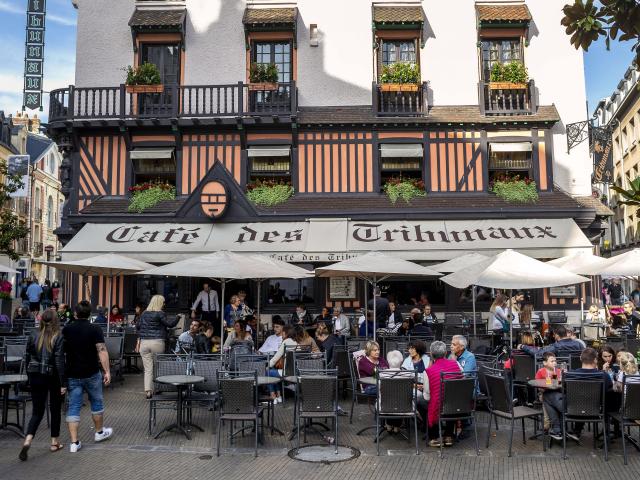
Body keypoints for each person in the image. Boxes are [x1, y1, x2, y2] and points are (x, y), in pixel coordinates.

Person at [63, 301, 113, 452]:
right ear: (89, 314)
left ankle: (74, 442)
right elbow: (102, 351)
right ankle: (99, 432)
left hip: (72, 373)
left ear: (75, 313)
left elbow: (62, 352)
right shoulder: (95, 328)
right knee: (96, 402)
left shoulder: (67, 329)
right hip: (91, 372)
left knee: (74, 406)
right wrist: (107, 371)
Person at [18, 309, 66, 461]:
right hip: (52, 376)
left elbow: (26, 356)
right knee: (55, 408)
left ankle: (28, 440)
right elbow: (59, 361)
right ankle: (54, 442)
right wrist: (63, 382)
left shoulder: (33, 334)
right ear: (55, 320)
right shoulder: (58, 336)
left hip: (35, 374)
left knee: (37, 412)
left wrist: (28, 374)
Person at [136, 295, 179, 399]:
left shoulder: (144, 313)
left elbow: (138, 326)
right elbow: (170, 324)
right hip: (157, 342)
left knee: (148, 369)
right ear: (160, 303)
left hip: (144, 343)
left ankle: (148, 391)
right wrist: (178, 317)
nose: (164, 304)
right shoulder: (160, 313)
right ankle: (157, 388)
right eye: (163, 302)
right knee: (156, 367)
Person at [424, 341, 463, 447]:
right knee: (450, 399)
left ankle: (434, 437)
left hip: (439, 407)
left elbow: (427, 396)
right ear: (446, 353)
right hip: (457, 406)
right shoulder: (456, 364)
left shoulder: (428, 371)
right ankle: (448, 436)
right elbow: (462, 382)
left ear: (431, 355)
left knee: (430, 403)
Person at [534, 352, 564, 440]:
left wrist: (560, 379)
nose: (555, 363)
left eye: (555, 361)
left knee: (552, 403)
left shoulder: (558, 371)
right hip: (544, 393)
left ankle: (555, 428)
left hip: (556, 393)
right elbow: (538, 384)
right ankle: (551, 427)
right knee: (546, 399)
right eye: (552, 361)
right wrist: (542, 389)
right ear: (544, 363)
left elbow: (560, 383)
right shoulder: (541, 371)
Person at [267, 325, 297, 403]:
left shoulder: (286, 342)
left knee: (268, 372)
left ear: (285, 333)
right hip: (295, 372)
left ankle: (273, 396)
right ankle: (279, 396)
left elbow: (276, 357)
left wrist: (267, 366)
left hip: (286, 372)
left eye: (283, 332)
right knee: (273, 371)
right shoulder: (296, 342)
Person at [518, 325, 584, 358]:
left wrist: (523, 346)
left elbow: (538, 353)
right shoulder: (579, 344)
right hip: (576, 372)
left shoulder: (557, 346)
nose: (553, 336)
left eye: (554, 335)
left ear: (557, 335)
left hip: (559, 370)